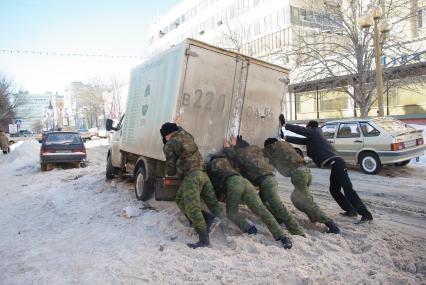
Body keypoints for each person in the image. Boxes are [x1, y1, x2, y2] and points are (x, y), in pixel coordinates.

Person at [281, 115, 373, 224]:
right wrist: (285, 138)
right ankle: (350, 210)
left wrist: (285, 125)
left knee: (348, 189)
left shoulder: (315, 131)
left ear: (309, 127)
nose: (306, 129)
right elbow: (302, 140)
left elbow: (301, 131)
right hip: (335, 164)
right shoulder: (314, 136)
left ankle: (366, 215)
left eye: (307, 128)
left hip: (337, 163)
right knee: (334, 190)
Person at [223, 135, 305, 236]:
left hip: (266, 183)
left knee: (279, 207)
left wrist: (228, 147)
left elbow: (233, 155)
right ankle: (277, 219)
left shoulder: (243, 153)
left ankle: (297, 231)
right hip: (270, 179)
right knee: (263, 203)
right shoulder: (256, 150)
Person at [206, 154, 292, 249]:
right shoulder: (228, 163)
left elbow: (212, 186)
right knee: (262, 211)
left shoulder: (211, 165)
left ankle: (249, 229)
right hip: (245, 182)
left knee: (231, 213)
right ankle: (282, 237)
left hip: (233, 184)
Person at [160, 122, 224, 248]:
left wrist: (171, 164)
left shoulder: (169, 144)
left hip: (191, 175)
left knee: (192, 206)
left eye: (164, 137)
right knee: (180, 199)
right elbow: (182, 131)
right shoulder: (187, 135)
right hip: (203, 174)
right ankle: (208, 220)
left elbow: (171, 169)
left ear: (167, 135)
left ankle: (204, 240)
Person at [263, 138, 340, 234]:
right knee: (296, 198)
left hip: (299, 175)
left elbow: (262, 155)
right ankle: (313, 217)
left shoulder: (271, 147)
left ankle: (331, 225)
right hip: (306, 172)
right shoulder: (285, 145)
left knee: (307, 203)